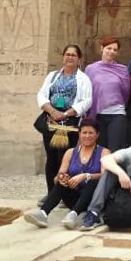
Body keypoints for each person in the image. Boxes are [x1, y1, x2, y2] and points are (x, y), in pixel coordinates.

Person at [24, 120, 108, 229]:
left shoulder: (104, 152)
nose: (87, 136)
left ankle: (73, 214)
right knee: (61, 184)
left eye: (91, 133)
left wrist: (85, 176)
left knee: (93, 182)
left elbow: (105, 176)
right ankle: (43, 213)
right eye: (84, 133)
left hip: (93, 199)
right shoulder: (70, 152)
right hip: (74, 197)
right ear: (79, 134)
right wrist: (63, 178)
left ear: (97, 135)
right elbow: (59, 174)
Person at [36, 44, 92, 202]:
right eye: (67, 54)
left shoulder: (83, 79)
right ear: (63, 57)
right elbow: (41, 95)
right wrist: (52, 111)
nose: (70, 57)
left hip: (70, 122)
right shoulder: (53, 76)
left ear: (79, 59)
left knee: (65, 158)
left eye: (73, 55)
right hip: (51, 120)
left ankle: (64, 195)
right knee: (51, 158)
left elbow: (86, 101)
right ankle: (51, 193)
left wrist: (66, 114)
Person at [85, 37, 131, 151]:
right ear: (102, 48)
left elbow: (126, 91)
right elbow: (87, 91)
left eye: (115, 50)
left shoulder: (123, 69)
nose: (111, 51)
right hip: (97, 115)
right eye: (109, 48)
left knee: (115, 149)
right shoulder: (91, 69)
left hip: (117, 113)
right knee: (100, 149)